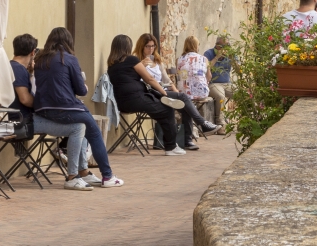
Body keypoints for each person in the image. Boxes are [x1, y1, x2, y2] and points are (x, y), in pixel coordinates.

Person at [32, 27, 123, 188]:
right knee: (94, 133)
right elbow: (81, 90)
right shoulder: (69, 59)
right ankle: (107, 176)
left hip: (43, 110)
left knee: (82, 126)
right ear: (68, 41)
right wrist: (85, 87)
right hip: (66, 108)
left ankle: (83, 172)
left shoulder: (39, 61)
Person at [11, 34, 90, 188]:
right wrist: (45, 102)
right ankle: (73, 176)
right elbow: (25, 99)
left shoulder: (13, 66)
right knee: (78, 127)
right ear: (33, 52)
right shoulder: (18, 69)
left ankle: (83, 172)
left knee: (80, 121)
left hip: (21, 118)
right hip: (24, 121)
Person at [136, 33, 219, 149]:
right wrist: (141, 65)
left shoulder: (157, 61)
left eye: (153, 46)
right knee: (184, 98)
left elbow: (167, 80)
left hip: (162, 91)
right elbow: (136, 80)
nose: (151, 49)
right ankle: (202, 124)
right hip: (150, 93)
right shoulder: (136, 61)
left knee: (184, 102)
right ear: (141, 46)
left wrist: (176, 93)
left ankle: (188, 141)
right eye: (148, 46)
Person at [108, 34, 186, 156]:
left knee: (159, 109)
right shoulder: (131, 60)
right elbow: (149, 78)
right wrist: (164, 92)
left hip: (122, 103)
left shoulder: (111, 65)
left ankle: (160, 100)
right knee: (167, 110)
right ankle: (171, 147)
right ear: (127, 47)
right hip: (137, 99)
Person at [178, 36, 221, 132]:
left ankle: (192, 130)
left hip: (183, 92)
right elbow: (209, 76)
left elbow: (181, 76)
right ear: (196, 46)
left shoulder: (179, 59)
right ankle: (198, 127)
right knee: (190, 101)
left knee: (187, 101)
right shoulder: (204, 59)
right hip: (201, 92)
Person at [203, 36, 232, 127]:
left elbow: (239, 70)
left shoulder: (231, 54)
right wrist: (217, 57)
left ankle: (246, 121)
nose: (225, 48)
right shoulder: (208, 53)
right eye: (223, 46)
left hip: (227, 84)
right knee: (220, 96)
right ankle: (220, 123)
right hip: (213, 83)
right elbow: (205, 68)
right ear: (217, 45)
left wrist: (233, 59)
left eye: (227, 46)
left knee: (242, 94)